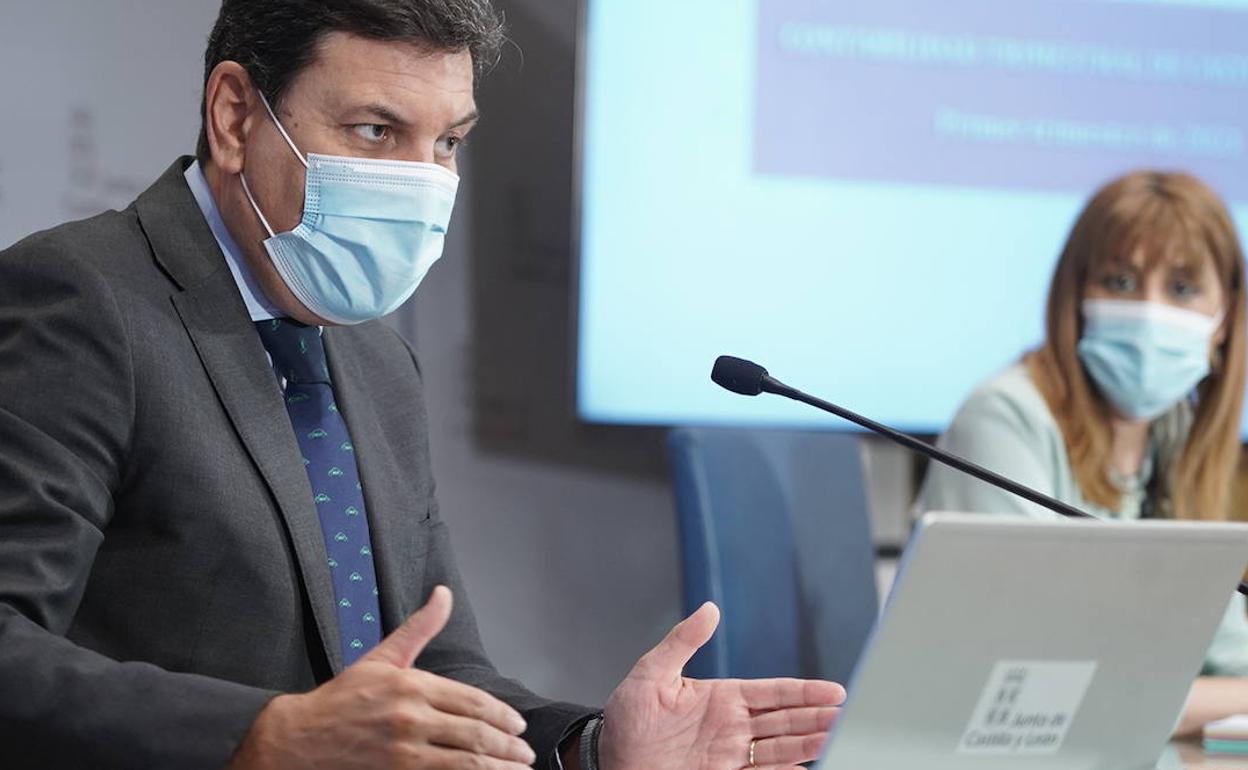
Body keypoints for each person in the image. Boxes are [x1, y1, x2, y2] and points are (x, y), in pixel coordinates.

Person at [0, 2, 845, 768]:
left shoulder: (378, 362)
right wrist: (262, 736)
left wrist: (591, 750)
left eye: (446, 143)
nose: (420, 180)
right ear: (235, 116)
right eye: (375, 131)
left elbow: (439, 671)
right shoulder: (83, 298)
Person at [916, 170, 1248, 737]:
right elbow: (1037, 689)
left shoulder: (1179, 438)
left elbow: (1231, 662)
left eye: (1183, 289)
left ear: (1223, 322)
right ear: (1077, 298)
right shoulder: (1006, 416)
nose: (1149, 311)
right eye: (1119, 281)